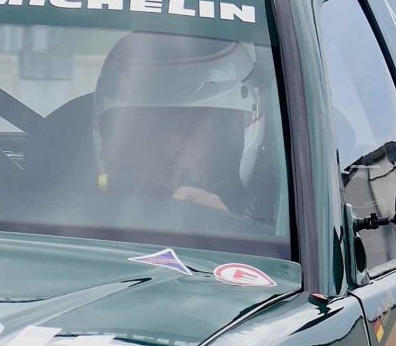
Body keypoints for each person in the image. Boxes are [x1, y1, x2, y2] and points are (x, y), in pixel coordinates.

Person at [88, 30, 268, 220]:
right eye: (154, 126)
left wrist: (225, 227)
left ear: (227, 136)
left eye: (190, 126)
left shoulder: (282, 227)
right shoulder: (74, 220)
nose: (171, 145)